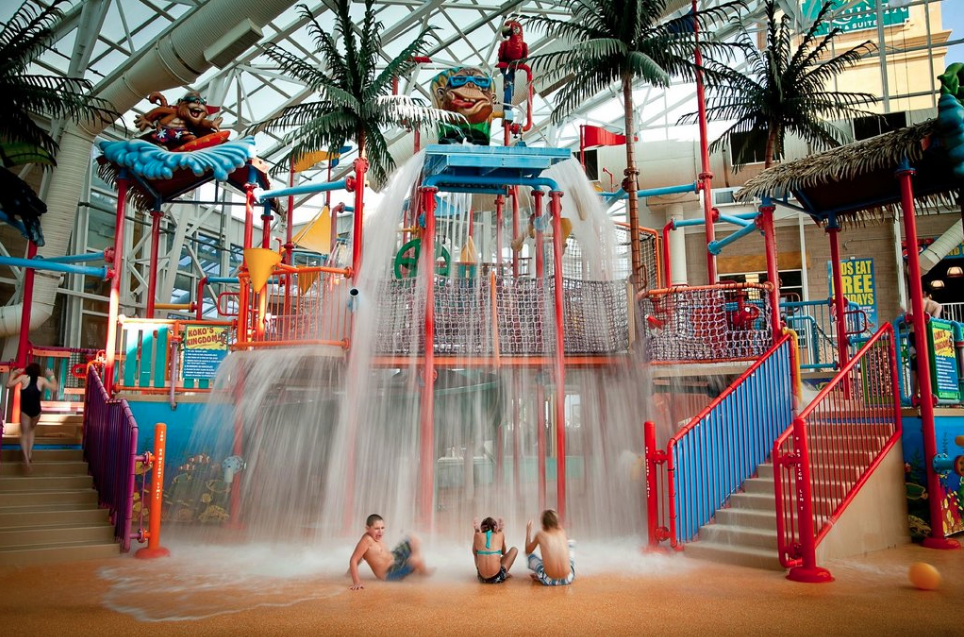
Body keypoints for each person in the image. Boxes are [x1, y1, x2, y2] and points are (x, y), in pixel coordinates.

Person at [348, 513, 430, 590]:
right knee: (417, 561)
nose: (380, 531)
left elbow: (363, 556)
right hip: (389, 572)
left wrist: (348, 572)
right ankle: (423, 572)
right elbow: (354, 559)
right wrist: (356, 582)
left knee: (413, 539)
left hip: (393, 557)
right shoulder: (366, 540)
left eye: (382, 528)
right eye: (376, 528)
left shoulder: (376, 536)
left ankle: (414, 568)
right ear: (367, 529)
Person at [6, 363, 57, 472]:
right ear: (38, 371)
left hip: (25, 410)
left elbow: (8, 385)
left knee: (24, 434)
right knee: (31, 430)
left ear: (28, 370)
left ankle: (26, 457)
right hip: (36, 411)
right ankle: (29, 453)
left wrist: (14, 373)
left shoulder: (23, 377)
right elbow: (54, 388)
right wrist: (51, 376)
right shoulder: (42, 380)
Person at [525, 509, 575, 586]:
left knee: (530, 556)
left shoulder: (540, 535)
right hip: (568, 578)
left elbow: (528, 550)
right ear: (557, 523)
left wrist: (528, 531)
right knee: (570, 543)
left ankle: (541, 575)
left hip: (550, 580)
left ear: (543, 526)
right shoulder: (562, 532)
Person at [472, 516, 518, 584]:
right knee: (514, 549)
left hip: (481, 578)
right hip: (497, 578)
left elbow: (475, 554)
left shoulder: (477, 535)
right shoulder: (500, 534)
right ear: (495, 528)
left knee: (477, 553)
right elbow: (504, 552)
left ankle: (485, 571)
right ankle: (503, 574)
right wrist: (500, 531)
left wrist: (476, 531)